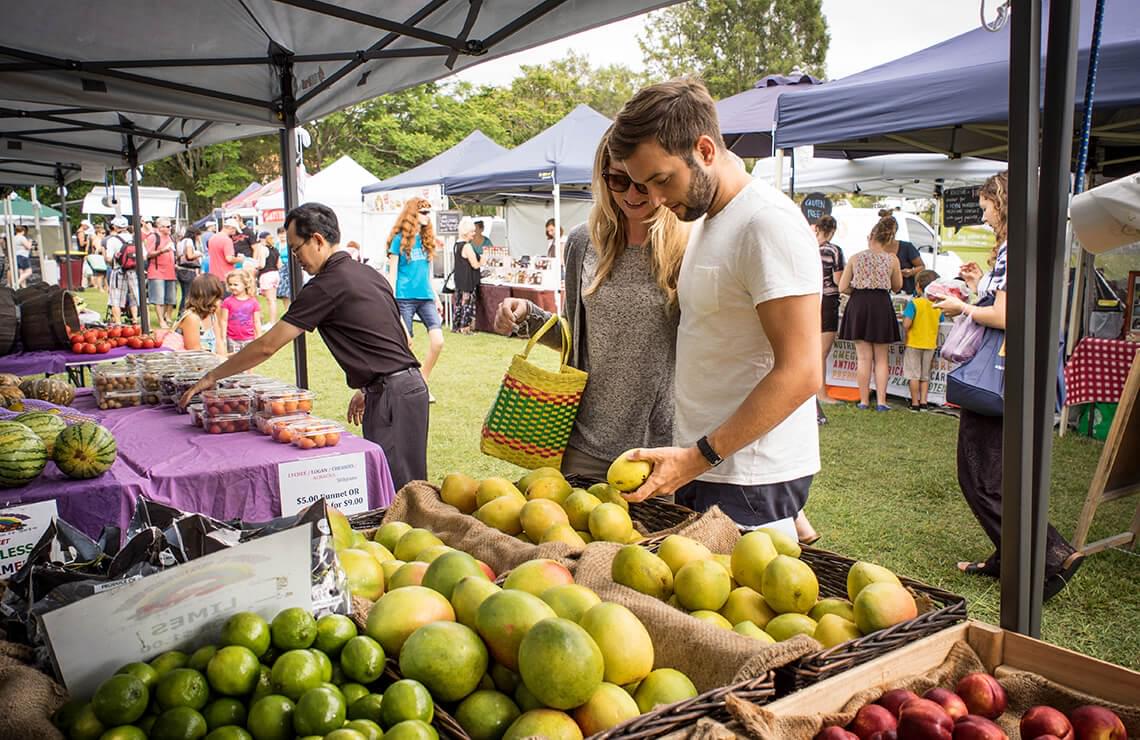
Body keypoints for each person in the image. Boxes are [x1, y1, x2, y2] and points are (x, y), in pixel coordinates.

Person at [608, 79, 822, 536]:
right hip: (710, 464)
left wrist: (697, 456)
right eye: (646, 184)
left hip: (749, 476)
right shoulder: (709, 217)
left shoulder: (766, 223)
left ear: (705, 150)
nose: (658, 199)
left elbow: (802, 371)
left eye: (663, 180)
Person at [180, 203, 429, 488]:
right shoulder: (368, 273)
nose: (295, 257)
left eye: (297, 249)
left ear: (318, 240)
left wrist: (211, 377)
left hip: (394, 392)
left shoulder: (326, 284)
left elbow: (267, 346)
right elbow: (399, 336)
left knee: (402, 491)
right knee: (395, 485)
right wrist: (372, 385)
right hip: (401, 387)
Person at [496, 128, 688, 482]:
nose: (631, 194)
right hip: (583, 441)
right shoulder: (583, 242)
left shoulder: (687, 247)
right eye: (618, 179)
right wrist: (528, 316)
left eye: (643, 183)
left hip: (657, 447)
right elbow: (573, 334)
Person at [931, 171, 1083, 600]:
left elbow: (1005, 317)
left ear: (1003, 203)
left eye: (986, 207)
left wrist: (961, 304)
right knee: (1000, 472)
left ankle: (1052, 555)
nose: (984, 215)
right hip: (1020, 373)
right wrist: (979, 288)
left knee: (981, 477)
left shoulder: (1016, 248)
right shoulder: (1035, 246)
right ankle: (1007, 557)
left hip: (1001, 378)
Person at [838, 216, 903, 411]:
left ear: (870, 237)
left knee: (863, 358)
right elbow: (897, 286)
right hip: (881, 304)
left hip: (859, 304)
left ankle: (864, 400)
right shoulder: (892, 259)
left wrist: (857, 290)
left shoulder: (855, 257)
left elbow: (842, 286)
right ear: (888, 240)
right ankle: (882, 401)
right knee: (881, 358)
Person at [386, 198, 444, 399]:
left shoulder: (427, 240)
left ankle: (423, 382)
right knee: (405, 343)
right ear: (413, 214)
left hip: (425, 297)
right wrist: (392, 301)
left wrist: (435, 296)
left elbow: (427, 273)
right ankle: (403, 387)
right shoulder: (398, 241)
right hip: (403, 298)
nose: (428, 216)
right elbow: (392, 275)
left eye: (429, 212)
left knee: (438, 342)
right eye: (424, 212)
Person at [814, 214, 845, 425]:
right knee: (822, 352)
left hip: (811, 299)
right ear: (832, 231)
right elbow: (838, 280)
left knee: (814, 348)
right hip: (828, 300)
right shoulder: (834, 250)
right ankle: (820, 392)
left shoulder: (808, 247)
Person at [902, 269, 942, 411]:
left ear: (918, 286)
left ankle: (914, 403)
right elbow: (941, 321)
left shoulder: (915, 303)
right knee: (925, 375)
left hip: (914, 343)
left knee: (913, 374)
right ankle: (924, 401)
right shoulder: (937, 306)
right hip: (930, 343)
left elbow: (907, 323)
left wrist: (905, 327)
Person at [171, 273, 225, 355]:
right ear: (208, 298)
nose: (220, 301)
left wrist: (225, 360)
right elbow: (194, 351)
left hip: (210, 362)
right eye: (217, 297)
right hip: (192, 363)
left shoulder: (212, 315)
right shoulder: (192, 318)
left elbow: (219, 342)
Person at [879, 208, 925, 295]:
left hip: (906, 293)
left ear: (896, 231)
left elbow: (922, 266)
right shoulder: (877, 249)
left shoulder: (907, 247)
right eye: (886, 232)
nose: (889, 235)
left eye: (891, 233)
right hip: (882, 293)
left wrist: (910, 272)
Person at [452, 216, 484, 335]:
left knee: (459, 304)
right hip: (468, 280)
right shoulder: (467, 246)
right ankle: (465, 328)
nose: (474, 234)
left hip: (459, 279)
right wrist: (483, 260)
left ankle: (457, 326)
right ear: (466, 232)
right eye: (472, 231)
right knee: (467, 304)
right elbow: (475, 265)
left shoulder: (456, 245)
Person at [105, 216, 139, 324]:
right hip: (133, 270)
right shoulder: (135, 238)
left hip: (118, 271)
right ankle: (134, 320)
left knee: (116, 298)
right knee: (134, 297)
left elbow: (109, 258)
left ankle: (118, 323)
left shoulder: (112, 240)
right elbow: (144, 255)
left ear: (115, 227)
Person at [145, 218, 178, 328]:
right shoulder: (153, 237)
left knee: (171, 298)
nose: (170, 228)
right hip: (157, 271)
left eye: (170, 226)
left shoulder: (170, 238)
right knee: (159, 298)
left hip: (171, 271)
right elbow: (148, 254)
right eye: (167, 226)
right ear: (160, 227)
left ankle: (167, 318)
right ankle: (161, 321)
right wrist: (163, 250)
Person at [221, 270, 261, 353]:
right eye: (230, 284)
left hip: (249, 339)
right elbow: (223, 321)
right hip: (232, 339)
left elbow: (256, 321)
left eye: (235, 284)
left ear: (246, 285)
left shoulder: (253, 302)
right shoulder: (227, 302)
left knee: (248, 361)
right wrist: (223, 337)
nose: (232, 287)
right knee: (234, 360)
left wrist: (259, 337)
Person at [256, 231, 282, 325]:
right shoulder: (275, 249)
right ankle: (273, 321)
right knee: (273, 300)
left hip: (266, 275)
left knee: (270, 301)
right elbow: (279, 265)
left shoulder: (263, 249)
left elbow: (262, 265)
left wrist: (255, 265)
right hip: (275, 274)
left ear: (262, 239)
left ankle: (272, 323)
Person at [176, 226, 203, 314]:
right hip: (188, 270)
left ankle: (181, 312)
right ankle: (184, 312)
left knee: (184, 293)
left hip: (180, 269)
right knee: (189, 294)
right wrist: (198, 254)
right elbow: (189, 256)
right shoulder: (189, 241)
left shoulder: (180, 241)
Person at [275, 226, 292, 311]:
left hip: (289, 270)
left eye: (284, 233)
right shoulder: (276, 245)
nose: (282, 236)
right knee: (283, 293)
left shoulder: (290, 244)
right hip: (280, 270)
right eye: (280, 234)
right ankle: (287, 310)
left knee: (291, 292)